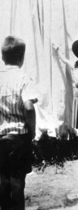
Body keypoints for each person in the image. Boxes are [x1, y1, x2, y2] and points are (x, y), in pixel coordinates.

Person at [0, 36, 37, 210]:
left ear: (2, 57)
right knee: (17, 182)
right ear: (22, 57)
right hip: (18, 137)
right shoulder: (23, 78)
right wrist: (33, 130)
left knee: (2, 181)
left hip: (0, 137)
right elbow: (29, 108)